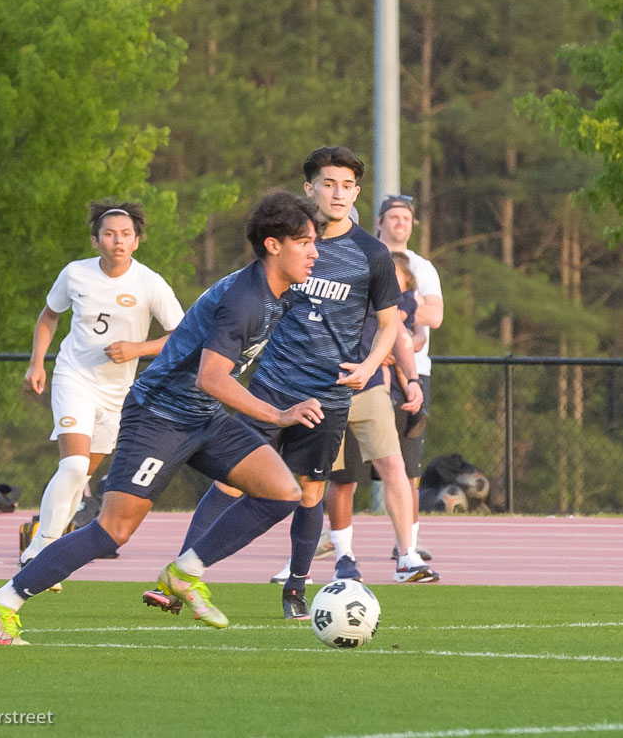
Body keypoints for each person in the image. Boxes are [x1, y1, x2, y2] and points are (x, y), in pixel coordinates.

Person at [0, 191, 324, 645]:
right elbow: (212, 378)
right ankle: (4, 600)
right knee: (112, 531)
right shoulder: (244, 299)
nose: (315, 252)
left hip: (203, 418)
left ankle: (185, 572)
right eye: (306, 243)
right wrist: (279, 414)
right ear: (274, 245)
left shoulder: (281, 291)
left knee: (282, 493)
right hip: (158, 416)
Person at [159, 146, 430, 622]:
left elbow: (391, 324)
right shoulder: (286, 242)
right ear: (309, 189)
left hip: (329, 398)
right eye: (328, 184)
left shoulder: (372, 254)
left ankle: (296, 591)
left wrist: (369, 368)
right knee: (229, 482)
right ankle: (182, 577)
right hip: (270, 387)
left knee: (309, 493)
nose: (338, 193)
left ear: (358, 192)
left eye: (347, 186)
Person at [19, 201, 185, 590]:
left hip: (120, 394)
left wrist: (138, 349)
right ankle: (43, 549)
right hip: (74, 378)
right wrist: (36, 363)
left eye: (126, 234)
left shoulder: (149, 283)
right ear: (96, 240)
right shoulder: (75, 274)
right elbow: (49, 316)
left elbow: (183, 334)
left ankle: (44, 552)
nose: (118, 241)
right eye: (109, 234)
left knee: (82, 476)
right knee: (74, 467)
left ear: (137, 241)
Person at [322, 250, 436, 583]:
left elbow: (396, 329)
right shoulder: (312, 267)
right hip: (323, 388)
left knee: (394, 466)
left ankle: (407, 557)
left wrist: (412, 378)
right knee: (333, 479)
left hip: (369, 387)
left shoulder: (375, 269)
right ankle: (339, 557)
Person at [376, 194, 444, 561]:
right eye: (393, 216)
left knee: (408, 461)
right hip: (368, 369)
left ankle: (409, 541)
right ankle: (336, 540)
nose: (400, 222)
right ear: (380, 222)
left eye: (406, 217)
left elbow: (435, 317)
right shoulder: (367, 256)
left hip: (414, 371)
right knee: (347, 465)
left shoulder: (423, 266)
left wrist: (403, 300)